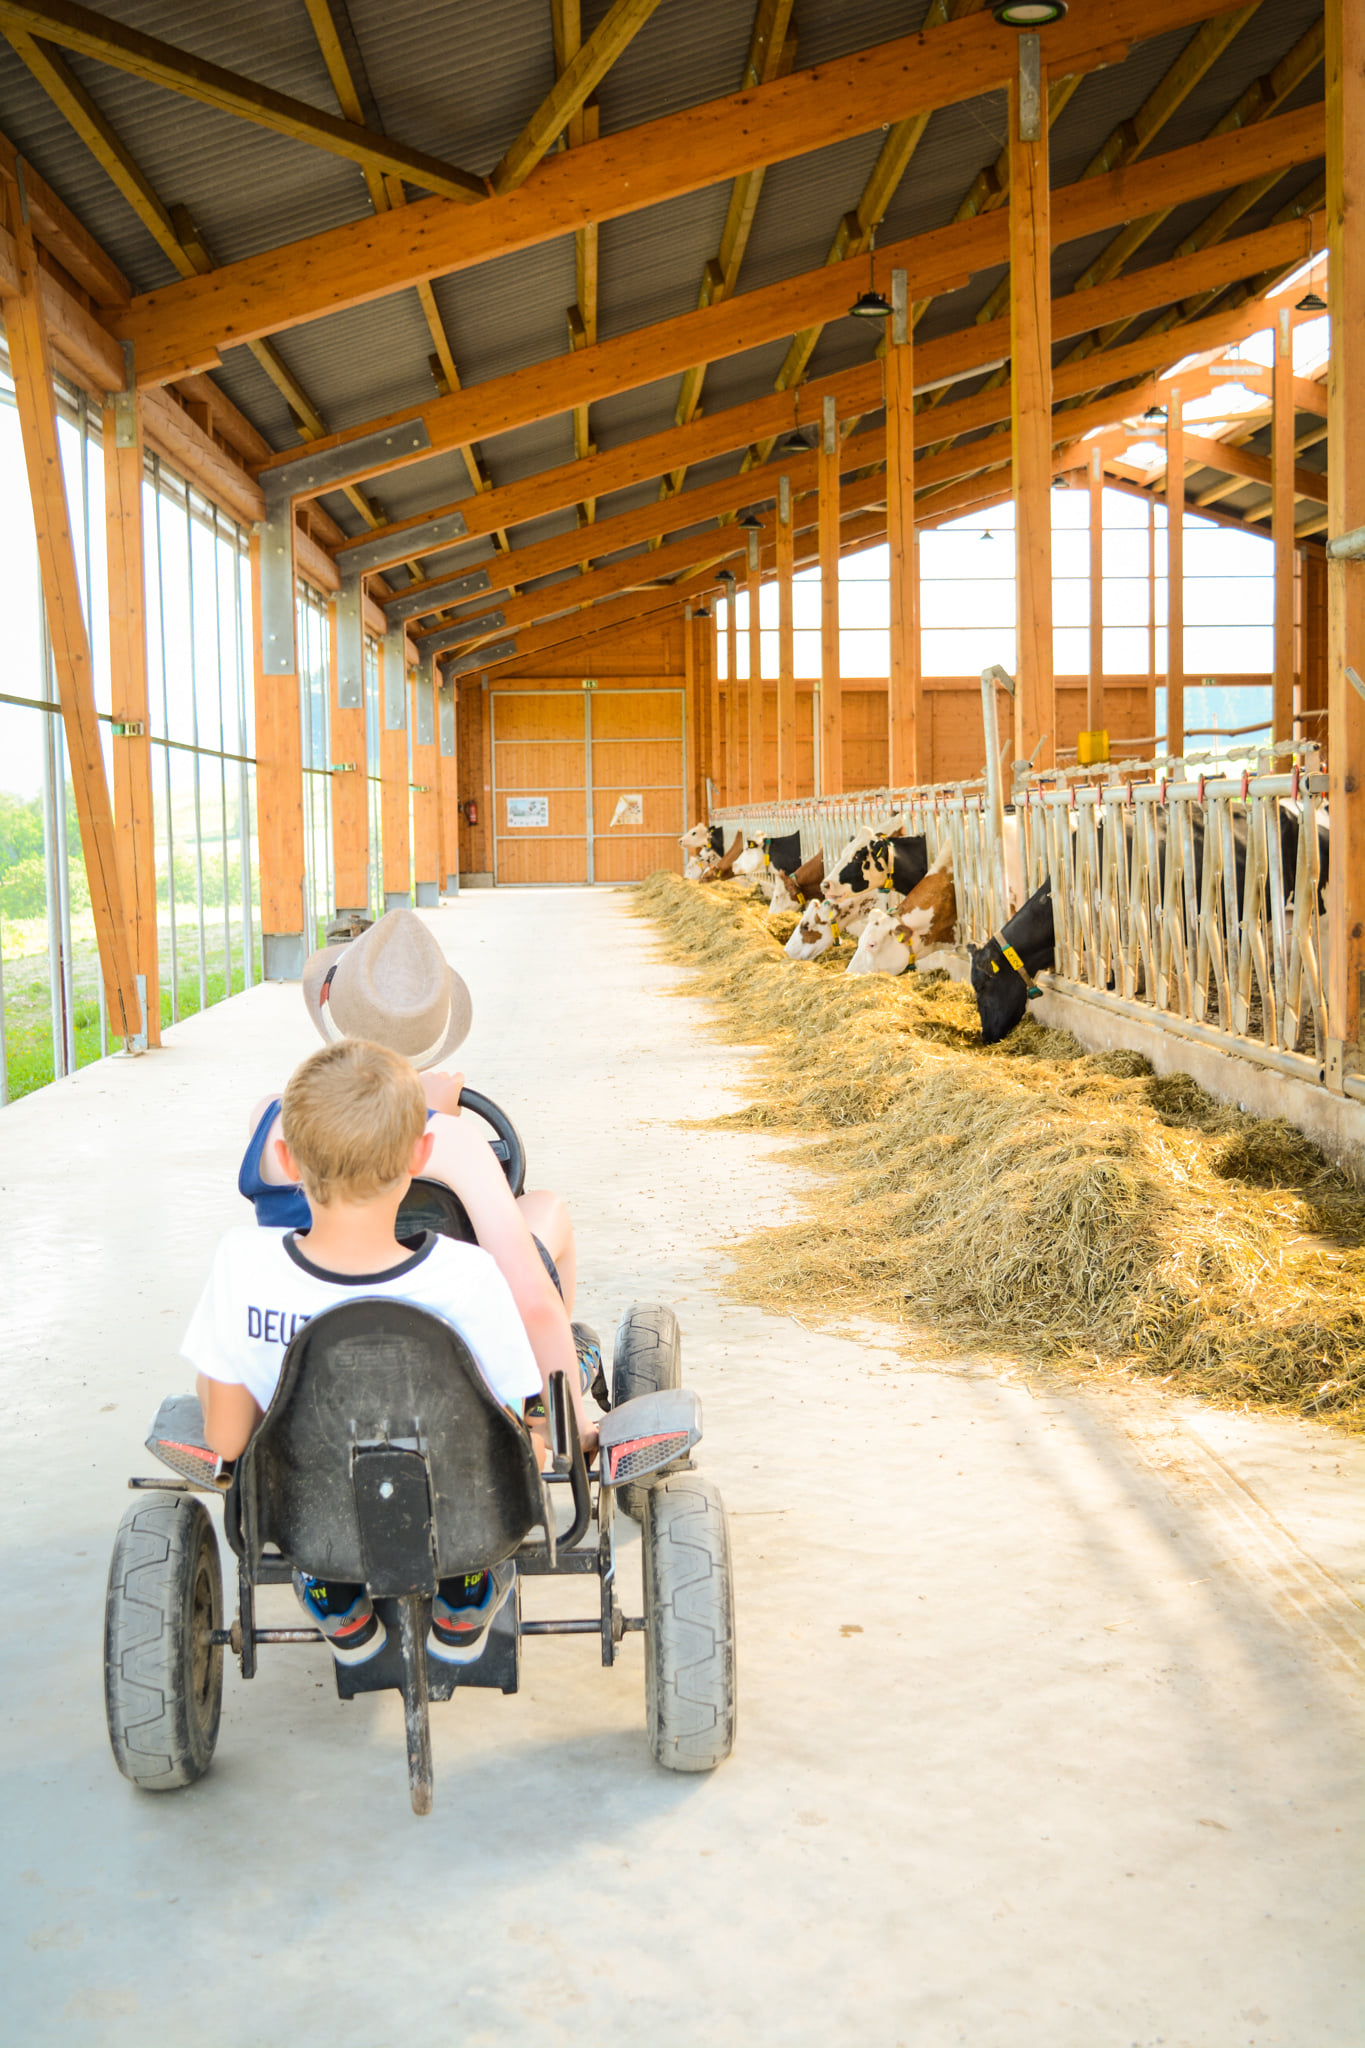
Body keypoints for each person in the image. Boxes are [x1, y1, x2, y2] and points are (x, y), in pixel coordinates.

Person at [184, 1038, 544, 1671]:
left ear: (287, 1159)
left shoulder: (243, 1265)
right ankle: (466, 1589)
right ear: (422, 1154)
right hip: (462, 1523)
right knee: (529, 1431)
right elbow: (512, 1430)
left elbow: (229, 1440)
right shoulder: (468, 1276)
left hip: (310, 1522)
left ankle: (334, 1594)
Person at [237, 908, 599, 1444]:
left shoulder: (271, 1120)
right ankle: (540, 1407)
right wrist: (584, 1431)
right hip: (438, 1346)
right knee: (546, 1211)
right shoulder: (449, 1143)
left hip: (309, 1349)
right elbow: (531, 1298)